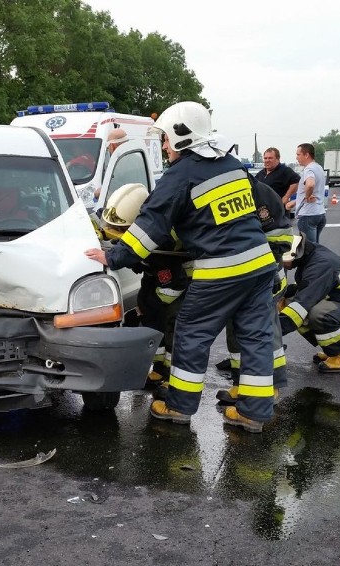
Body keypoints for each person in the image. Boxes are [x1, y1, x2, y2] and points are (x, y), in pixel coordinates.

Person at [84, 101, 277, 433]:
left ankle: (178, 406)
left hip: (222, 270)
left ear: (181, 136)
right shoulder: (230, 163)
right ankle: (253, 412)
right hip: (260, 265)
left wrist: (112, 256)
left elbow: (150, 227)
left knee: (191, 334)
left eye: (165, 139)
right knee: (255, 338)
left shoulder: (181, 174)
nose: (163, 146)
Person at [96, 182, 190, 387]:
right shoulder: (133, 221)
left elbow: (174, 286)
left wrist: (148, 306)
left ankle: (173, 378)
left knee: (173, 326)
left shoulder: (163, 245)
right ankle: (157, 369)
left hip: (177, 283)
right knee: (153, 323)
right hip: (155, 277)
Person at [216, 178, 294, 406]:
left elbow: (280, 240)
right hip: (237, 278)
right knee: (236, 330)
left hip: (266, 277)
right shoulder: (225, 191)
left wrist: (250, 259)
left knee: (266, 331)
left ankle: (272, 386)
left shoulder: (261, 194)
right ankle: (241, 384)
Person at [279, 233, 340, 372]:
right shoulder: (311, 256)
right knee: (289, 302)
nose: (282, 264)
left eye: (283, 260)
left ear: (295, 254)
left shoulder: (321, 264)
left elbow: (303, 302)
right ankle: (333, 350)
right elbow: (305, 286)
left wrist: (275, 331)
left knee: (316, 313)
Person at [294, 143, 326, 243]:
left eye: (298, 154)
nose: (296, 157)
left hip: (308, 215)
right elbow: (315, 190)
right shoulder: (319, 168)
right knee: (316, 248)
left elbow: (310, 184)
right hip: (319, 213)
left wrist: (307, 196)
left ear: (306, 155)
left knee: (309, 250)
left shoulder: (309, 169)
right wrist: (295, 202)